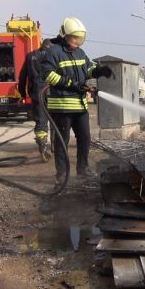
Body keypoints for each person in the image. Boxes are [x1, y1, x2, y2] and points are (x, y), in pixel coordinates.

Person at [41, 17, 112, 180]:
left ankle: (82, 168)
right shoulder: (54, 52)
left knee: (85, 138)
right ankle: (62, 174)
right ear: (64, 35)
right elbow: (47, 75)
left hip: (80, 107)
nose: (78, 41)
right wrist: (71, 84)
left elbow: (87, 69)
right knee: (62, 142)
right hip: (62, 107)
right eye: (75, 37)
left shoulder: (80, 52)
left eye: (80, 38)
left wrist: (100, 71)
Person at [19, 38, 53, 162]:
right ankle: (55, 146)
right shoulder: (54, 55)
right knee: (56, 120)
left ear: (41, 45)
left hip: (37, 92)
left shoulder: (30, 56)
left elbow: (22, 77)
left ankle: (43, 147)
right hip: (52, 91)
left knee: (41, 120)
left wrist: (22, 93)